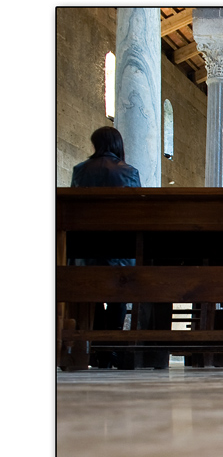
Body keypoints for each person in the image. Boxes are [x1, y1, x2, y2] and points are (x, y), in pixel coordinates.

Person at [71, 127, 142, 368]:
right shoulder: (129, 172)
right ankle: (111, 347)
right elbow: (137, 214)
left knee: (92, 296)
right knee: (118, 296)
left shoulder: (80, 171)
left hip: (85, 248)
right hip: (119, 248)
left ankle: (99, 349)